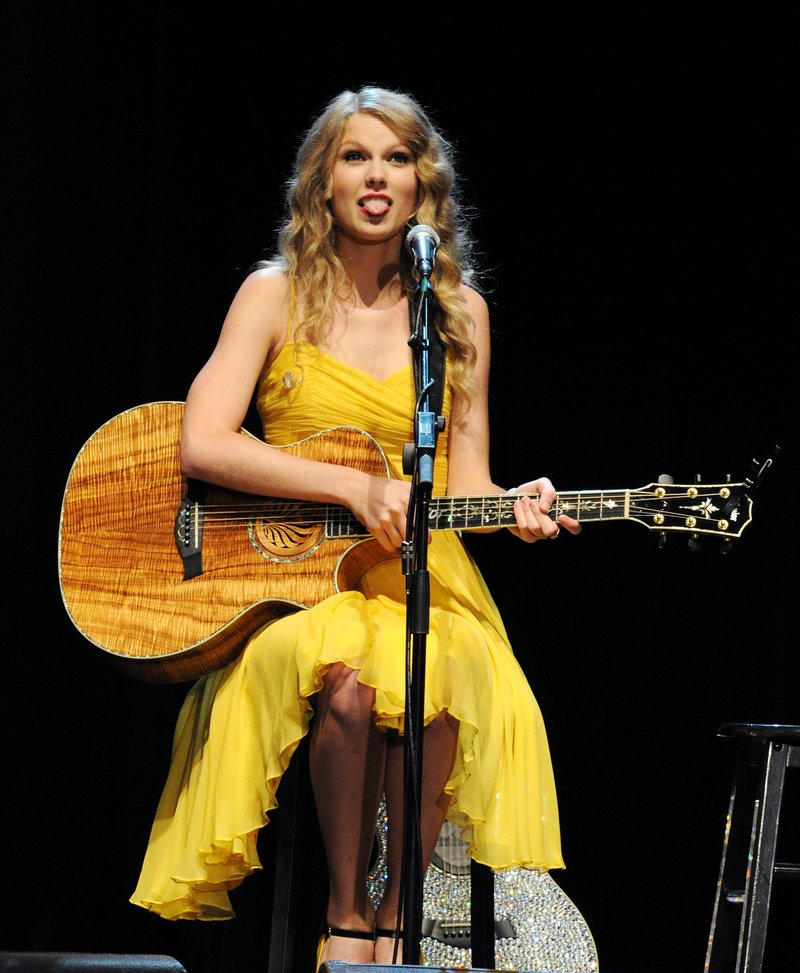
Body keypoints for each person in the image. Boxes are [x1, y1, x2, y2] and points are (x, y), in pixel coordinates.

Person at [130, 85, 581, 968]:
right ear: (323, 182)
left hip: (422, 573)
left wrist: (515, 509)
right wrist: (347, 485)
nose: (377, 176)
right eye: (355, 156)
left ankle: (400, 915)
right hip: (302, 582)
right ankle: (346, 917)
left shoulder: (458, 317)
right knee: (346, 682)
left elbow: (467, 482)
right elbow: (203, 440)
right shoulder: (275, 293)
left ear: (423, 186)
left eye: (397, 158)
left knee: (443, 674)